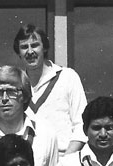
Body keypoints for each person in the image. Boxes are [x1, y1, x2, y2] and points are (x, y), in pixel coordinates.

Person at [14, 24, 86, 154]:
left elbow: (82, 125)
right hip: (26, 162)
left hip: (63, 157)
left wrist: (67, 162)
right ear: (19, 53)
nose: (30, 52)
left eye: (35, 45)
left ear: (45, 48)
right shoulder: (16, 83)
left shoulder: (67, 77)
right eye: (24, 47)